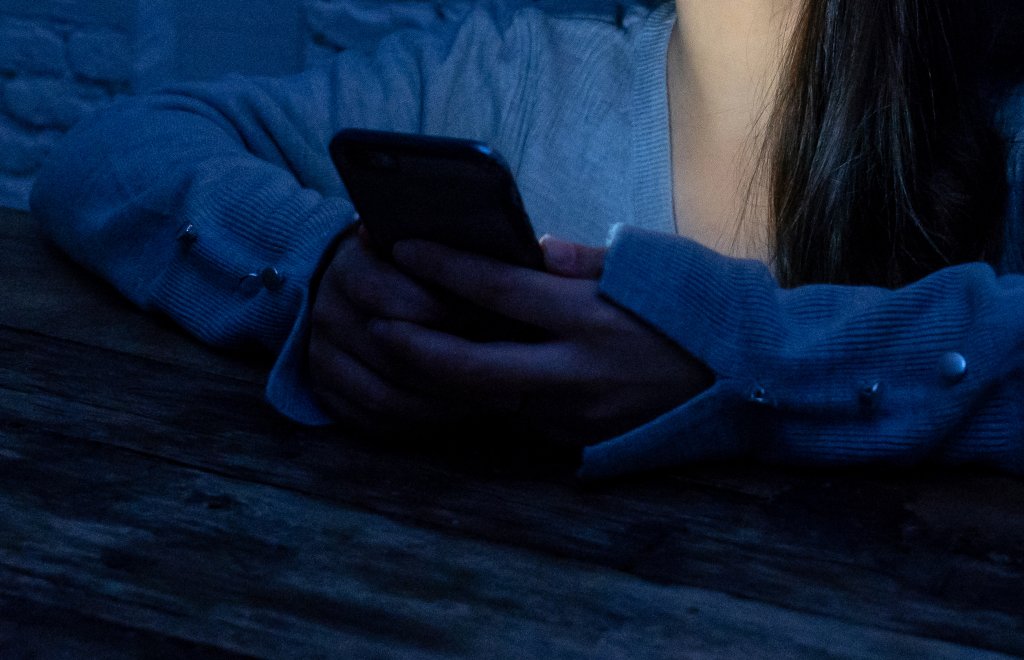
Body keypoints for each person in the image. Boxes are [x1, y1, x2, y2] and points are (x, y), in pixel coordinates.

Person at [29, 0, 1024, 478]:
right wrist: (315, 273)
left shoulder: (999, 124)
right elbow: (111, 153)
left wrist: (733, 362)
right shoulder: (513, 77)